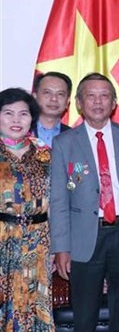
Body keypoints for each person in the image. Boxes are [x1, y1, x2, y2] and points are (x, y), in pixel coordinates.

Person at [50, 72, 119, 332]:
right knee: (84, 316)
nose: (98, 102)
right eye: (91, 96)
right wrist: (61, 247)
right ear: (79, 103)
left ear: (114, 103)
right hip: (85, 238)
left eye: (105, 95)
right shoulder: (64, 144)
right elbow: (60, 199)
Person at [0, 88, 54, 330]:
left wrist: (81, 172)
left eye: (23, 114)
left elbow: (65, 192)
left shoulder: (45, 154)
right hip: (2, 238)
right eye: (8, 113)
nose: (16, 120)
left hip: (38, 241)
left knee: (34, 304)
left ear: (32, 119)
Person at [32, 71, 72, 146]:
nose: (54, 98)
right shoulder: (21, 131)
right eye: (47, 92)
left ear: (67, 102)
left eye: (60, 94)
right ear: (35, 97)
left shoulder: (76, 138)